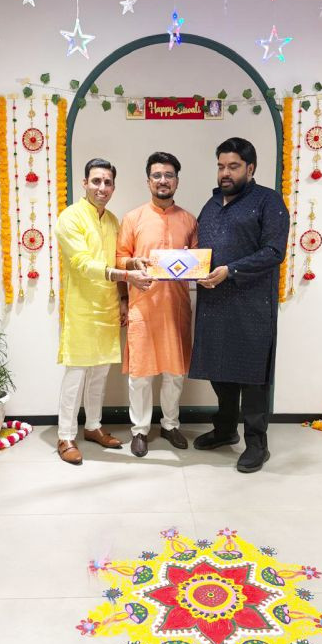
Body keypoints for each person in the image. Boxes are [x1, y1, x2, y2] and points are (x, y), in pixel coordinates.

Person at [189, 137, 289, 473]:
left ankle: (257, 445)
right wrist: (191, 264)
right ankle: (225, 429)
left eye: (233, 166)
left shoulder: (268, 201)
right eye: (221, 166)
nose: (225, 173)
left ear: (250, 168)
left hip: (251, 307)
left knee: (252, 377)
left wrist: (230, 271)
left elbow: (274, 252)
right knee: (220, 372)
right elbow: (204, 248)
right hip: (214, 304)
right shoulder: (212, 204)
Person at [55, 158, 152, 465]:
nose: (102, 187)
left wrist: (127, 282)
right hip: (81, 309)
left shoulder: (111, 220)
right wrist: (125, 274)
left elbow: (117, 259)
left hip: (108, 307)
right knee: (76, 374)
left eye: (107, 182)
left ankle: (93, 426)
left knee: (100, 373)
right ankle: (65, 436)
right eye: (96, 181)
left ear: (113, 187)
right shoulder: (70, 218)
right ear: (85, 183)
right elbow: (82, 263)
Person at [117, 152, 198, 457]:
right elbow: (119, 259)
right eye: (157, 175)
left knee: (174, 373)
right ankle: (139, 430)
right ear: (148, 180)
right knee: (140, 374)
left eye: (169, 175)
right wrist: (131, 269)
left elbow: (198, 263)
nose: (163, 181)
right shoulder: (133, 218)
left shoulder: (189, 220)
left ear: (177, 180)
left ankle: (170, 425)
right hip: (143, 306)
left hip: (176, 307)